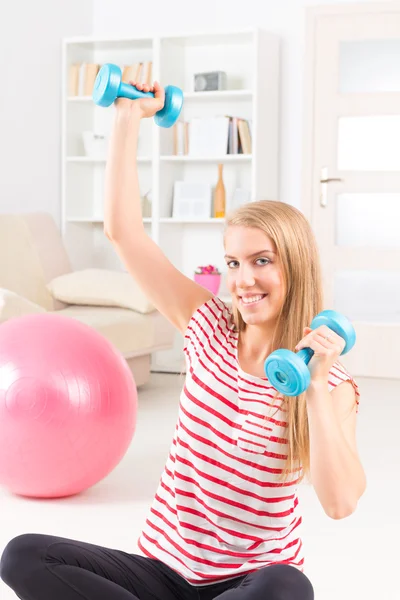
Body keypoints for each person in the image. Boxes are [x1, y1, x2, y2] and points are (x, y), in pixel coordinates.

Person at [0, 81, 366, 600]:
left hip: (248, 583)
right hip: (162, 574)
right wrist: (129, 117)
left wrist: (316, 386)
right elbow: (124, 232)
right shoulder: (208, 325)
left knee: (288, 588)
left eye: (263, 261)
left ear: (295, 266)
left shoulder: (332, 384)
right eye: (234, 262)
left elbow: (340, 502)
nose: (244, 280)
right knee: (24, 553)